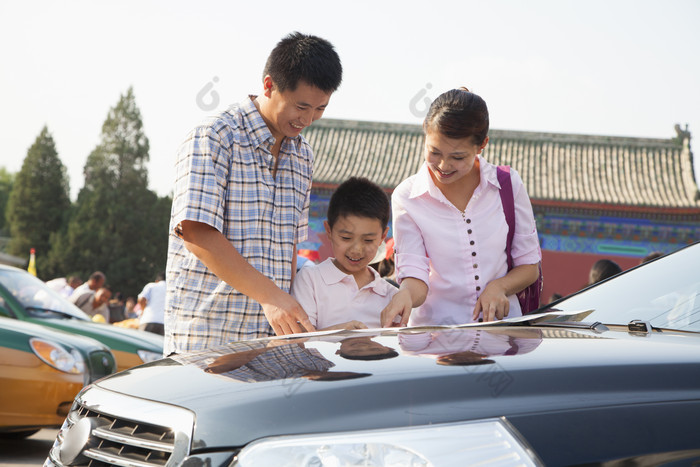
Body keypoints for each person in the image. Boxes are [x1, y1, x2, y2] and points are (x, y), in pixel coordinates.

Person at [165, 32, 343, 355]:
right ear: (269, 85)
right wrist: (271, 296)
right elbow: (196, 233)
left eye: (320, 108)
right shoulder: (216, 137)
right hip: (209, 341)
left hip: (270, 343)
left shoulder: (303, 156)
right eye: (301, 106)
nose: (307, 119)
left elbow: (289, 246)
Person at [381, 87, 541, 328]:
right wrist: (404, 294)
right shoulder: (407, 197)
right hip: (435, 341)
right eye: (434, 152)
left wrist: (499, 286)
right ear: (425, 132)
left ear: (482, 145)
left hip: (501, 334)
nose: (443, 166)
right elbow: (415, 277)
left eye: (458, 157)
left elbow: (529, 267)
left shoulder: (507, 185)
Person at [291, 177, 397, 330]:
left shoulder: (391, 295)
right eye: (346, 238)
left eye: (368, 240)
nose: (356, 249)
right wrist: (341, 334)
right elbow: (299, 342)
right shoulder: (310, 281)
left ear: (382, 236)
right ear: (329, 231)